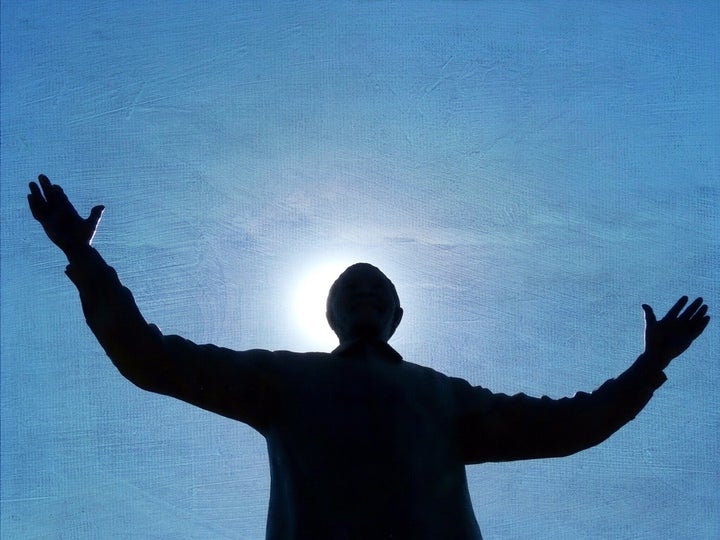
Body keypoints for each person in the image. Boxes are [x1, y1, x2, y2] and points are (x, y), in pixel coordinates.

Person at [28, 174, 710, 540]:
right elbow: (151, 358)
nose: (364, 296)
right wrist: (84, 258)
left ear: (395, 315)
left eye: (377, 290)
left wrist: (647, 367)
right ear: (329, 313)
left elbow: (569, 426)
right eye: (349, 289)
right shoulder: (283, 379)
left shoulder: (443, 397)